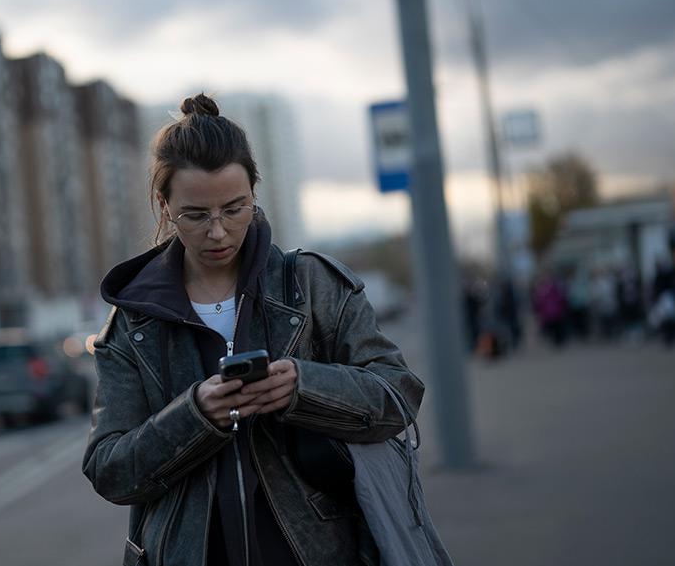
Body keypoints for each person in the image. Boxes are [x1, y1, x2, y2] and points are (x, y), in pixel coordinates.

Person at [82, 95, 424, 566]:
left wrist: (304, 387)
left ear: (255, 194)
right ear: (164, 206)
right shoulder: (132, 324)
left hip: (318, 552)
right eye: (196, 215)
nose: (218, 232)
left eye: (235, 208)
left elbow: (399, 394)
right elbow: (109, 470)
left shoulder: (312, 285)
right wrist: (195, 414)